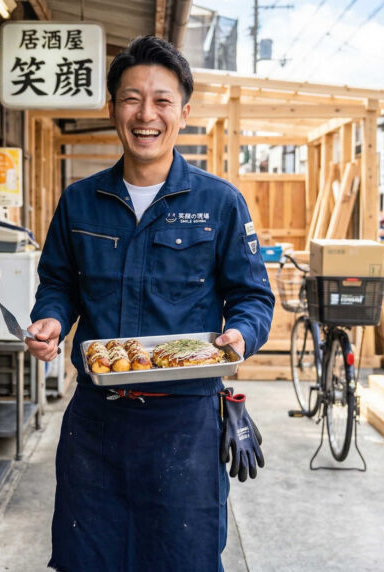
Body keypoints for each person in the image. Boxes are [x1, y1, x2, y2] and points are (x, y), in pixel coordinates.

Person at [24, 36, 275, 570]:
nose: (146, 114)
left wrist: (241, 336)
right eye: (132, 98)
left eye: (162, 100)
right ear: (112, 107)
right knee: (87, 557)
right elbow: (58, 282)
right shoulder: (79, 200)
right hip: (97, 422)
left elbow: (253, 296)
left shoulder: (219, 203)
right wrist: (50, 318)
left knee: (182, 558)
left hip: (184, 425)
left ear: (183, 112)